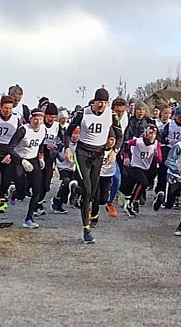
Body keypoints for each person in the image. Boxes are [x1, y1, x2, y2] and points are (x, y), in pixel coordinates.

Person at [64, 88, 123, 244]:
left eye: (104, 102)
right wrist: (67, 148)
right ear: (94, 101)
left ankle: (75, 189)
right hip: (83, 153)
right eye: (99, 102)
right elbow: (67, 132)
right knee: (88, 190)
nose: (101, 105)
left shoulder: (111, 115)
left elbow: (119, 136)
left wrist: (114, 152)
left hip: (99, 154)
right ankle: (86, 230)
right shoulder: (83, 113)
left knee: (92, 193)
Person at [8, 108, 47, 229]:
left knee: (37, 188)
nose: (37, 122)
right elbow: (10, 147)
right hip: (19, 160)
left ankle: (29, 218)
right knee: (22, 194)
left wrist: (40, 157)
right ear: (30, 119)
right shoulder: (23, 130)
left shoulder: (43, 130)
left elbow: (41, 144)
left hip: (33, 159)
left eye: (40, 119)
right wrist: (22, 161)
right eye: (35, 119)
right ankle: (14, 193)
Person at [0, 96, 23, 221]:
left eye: (10, 108)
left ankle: (2, 198)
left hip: (9, 151)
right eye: (5, 108)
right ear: (0, 107)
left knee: (6, 182)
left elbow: (20, 138)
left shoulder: (17, 119)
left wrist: (10, 154)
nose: (8, 111)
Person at [120, 124, 162, 215]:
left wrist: (156, 155)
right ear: (146, 133)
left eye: (154, 133)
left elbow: (160, 160)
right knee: (143, 182)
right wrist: (126, 157)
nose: (152, 136)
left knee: (142, 185)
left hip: (146, 167)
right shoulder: (138, 141)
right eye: (150, 133)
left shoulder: (156, 144)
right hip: (134, 166)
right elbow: (126, 145)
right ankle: (135, 201)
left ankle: (130, 203)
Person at [155, 105, 181, 210]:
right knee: (163, 171)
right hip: (169, 149)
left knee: (178, 173)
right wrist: (169, 141)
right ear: (174, 116)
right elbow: (162, 138)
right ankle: (160, 192)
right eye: (179, 116)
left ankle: (176, 196)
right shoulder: (169, 125)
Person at [39, 103, 64, 214]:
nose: (51, 119)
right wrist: (44, 145)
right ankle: (36, 204)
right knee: (37, 180)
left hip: (50, 156)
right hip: (38, 154)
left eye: (54, 117)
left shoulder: (57, 126)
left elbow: (62, 140)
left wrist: (57, 146)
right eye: (50, 117)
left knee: (46, 182)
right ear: (45, 115)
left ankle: (39, 201)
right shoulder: (40, 124)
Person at [50, 127, 81, 214]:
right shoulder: (63, 144)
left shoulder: (81, 144)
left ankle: (69, 200)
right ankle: (56, 203)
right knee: (66, 182)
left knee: (72, 185)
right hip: (62, 166)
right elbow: (54, 154)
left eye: (78, 134)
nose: (75, 136)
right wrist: (63, 158)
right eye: (74, 134)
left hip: (73, 167)